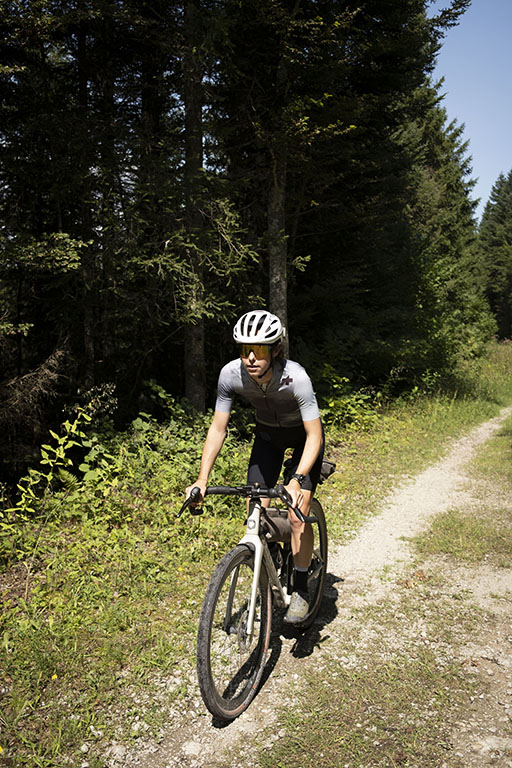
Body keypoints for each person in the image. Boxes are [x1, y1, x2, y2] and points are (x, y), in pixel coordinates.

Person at [185, 309, 324, 624]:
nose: (250, 357)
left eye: (259, 350)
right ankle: (272, 561)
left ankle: (301, 586)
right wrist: (202, 479)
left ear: (275, 350)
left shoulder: (296, 378)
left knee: (297, 513)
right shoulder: (230, 375)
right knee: (254, 510)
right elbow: (218, 428)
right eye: (244, 349)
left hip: (304, 439)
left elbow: (314, 435)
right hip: (267, 438)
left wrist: (298, 478)